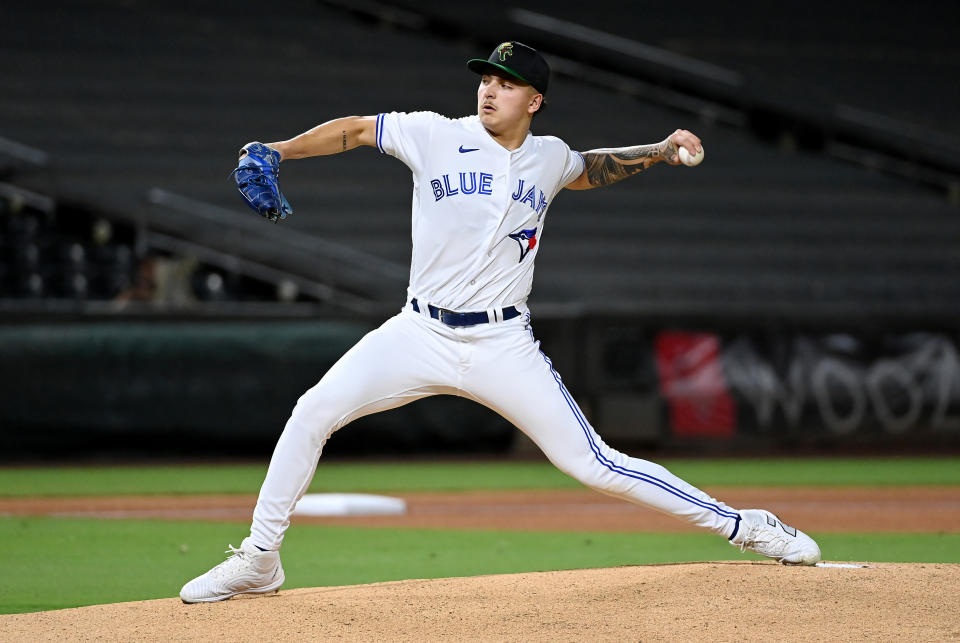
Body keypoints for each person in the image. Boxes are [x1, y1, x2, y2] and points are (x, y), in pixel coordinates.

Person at [180, 41, 820, 603]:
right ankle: (260, 560)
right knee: (312, 410)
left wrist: (659, 150)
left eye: (506, 82)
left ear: (534, 100)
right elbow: (353, 130)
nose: (490, 88)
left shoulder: (548, 156)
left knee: (592, 463)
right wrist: (279, 150)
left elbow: (590, 167)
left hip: (501, 342)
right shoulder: (433, 132)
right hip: (418, 332)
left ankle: (748, 526)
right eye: (485, 77)